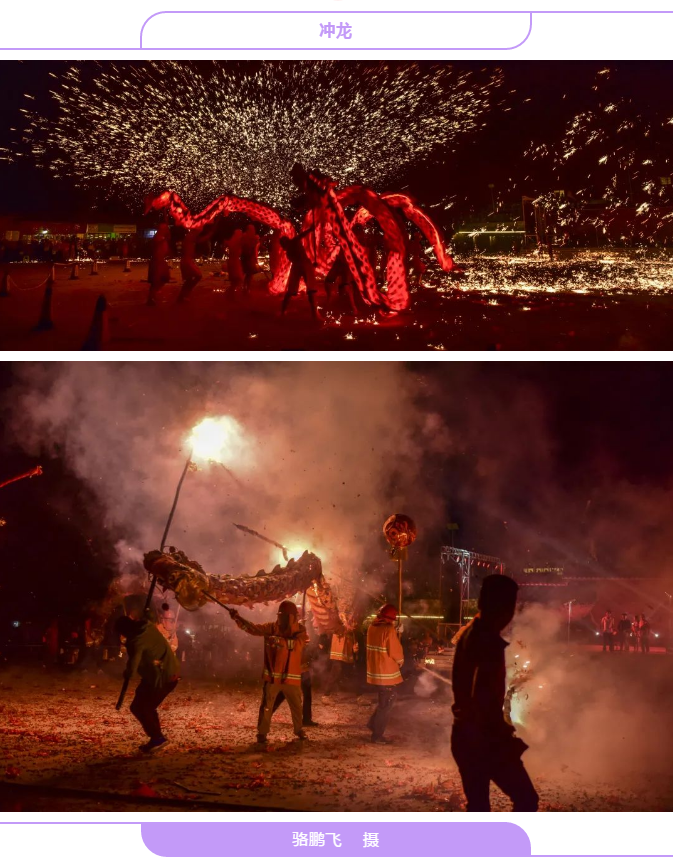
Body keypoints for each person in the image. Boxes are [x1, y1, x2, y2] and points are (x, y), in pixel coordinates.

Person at [451, 574, 539, 812]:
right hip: (482, 739)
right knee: (526, 799)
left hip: (465, 736)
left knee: (479, 807)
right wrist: (500, 734)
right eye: (510, 605)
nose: (511, 614)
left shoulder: (472, 634)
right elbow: (481, 699)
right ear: (500, 606)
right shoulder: (486, 642)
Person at [229, 601, 309, 743]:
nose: (281, 619)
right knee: (266, 705)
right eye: (280, 616)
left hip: (291, 677)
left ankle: (299, 729)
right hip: (273, 677)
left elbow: (298, 644)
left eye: (285, 616)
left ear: (291, 617)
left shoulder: (300, 630)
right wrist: (238, 618)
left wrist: (278, 641)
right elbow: (253, 628)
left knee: (296, 706)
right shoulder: (271, 627)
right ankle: (262, 732)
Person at [115, 615, 180, 753]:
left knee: (142, 707)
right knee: (143, 706)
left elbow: (133, 665)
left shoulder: (136, 641)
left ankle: (157, 738)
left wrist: (128, 673)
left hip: (162, 677)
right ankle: (157, 737)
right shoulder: (148, 626)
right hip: (159, 674)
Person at [365, 604, 404, 744]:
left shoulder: (371, 627)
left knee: (384, 700)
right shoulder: (388, 629)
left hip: (375, 671)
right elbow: (394, 649)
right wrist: (400, 660)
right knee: (387, 703)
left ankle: (372, 724)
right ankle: (377, 735)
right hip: (386, 672)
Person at [325, 627, 358, 695]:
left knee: (341, 673)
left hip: (344, 657)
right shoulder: (341, 631)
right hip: (339, 657)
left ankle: (354, 690)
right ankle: (327, 692)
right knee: (335, 673)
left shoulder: (349, 632)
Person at [147, 224, 171, 306]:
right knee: (155, 281)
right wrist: (165, 238)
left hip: (161, 261)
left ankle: (153, 295)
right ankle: (151, 298)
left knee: (165, 278)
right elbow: (157, 242)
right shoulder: (157, 237)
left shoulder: (162, 237)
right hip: (157, 261)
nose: (166, 229)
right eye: (164, 228)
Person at [178, 227, 203, 303]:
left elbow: (188, 250)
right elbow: (202, 239)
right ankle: (184, 294)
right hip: (186, 261)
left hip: (187, 260)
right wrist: (212, 230)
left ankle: (182, 296)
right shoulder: (190, 237)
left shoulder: (190, 238)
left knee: (190, 279)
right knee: (198, 275)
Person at [241, 224, 261, 291]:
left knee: (249, 274)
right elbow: (244, 247)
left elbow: (254, 248)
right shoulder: (244, 237)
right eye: (252, 229)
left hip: (250, 257)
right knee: (246, 273)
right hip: (245, 257)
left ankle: (247, 288)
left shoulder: (253, 238)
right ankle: (244, 287)